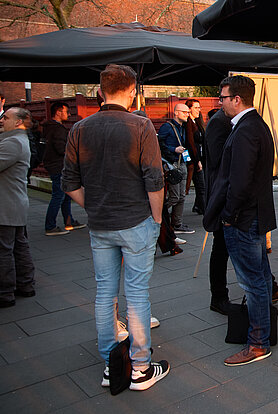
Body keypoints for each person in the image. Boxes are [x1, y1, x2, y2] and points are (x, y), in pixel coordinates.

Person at [63, 64, 169, 391]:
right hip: (136, 220)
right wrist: (157, 219)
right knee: (136, 295)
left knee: (104, 294)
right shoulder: (141, 125)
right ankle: (139, 368)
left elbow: (69, 183)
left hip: (101, 223)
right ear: (133, 92)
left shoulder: (79, 129)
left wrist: (94, 206)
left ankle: (112, 364)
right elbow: (154, 179)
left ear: (99, 91)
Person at [204, 75, 277, 366]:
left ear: (237, 99)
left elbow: (240, 181)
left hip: (244, 220)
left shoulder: (247, 129)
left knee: (253, 282)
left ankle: (258, 342)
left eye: (222, 97)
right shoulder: (253, 125)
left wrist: (230, 217)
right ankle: (261, 335)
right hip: (252, 217)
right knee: (258, 279)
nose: (219, 102)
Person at [204, 102, 278, 316]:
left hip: (241, 202)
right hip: (227, 201)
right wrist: (228, 211)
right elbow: (222, 168)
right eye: (221, 97)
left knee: (252, 255)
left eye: (223, 97)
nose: (221, 101)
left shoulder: (245, 123)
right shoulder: (220, 122)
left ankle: (268, 290)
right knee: (222, 249)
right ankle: (219, 298)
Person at [0, 107, 36, 308]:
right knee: (18, 246)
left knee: (5, 249)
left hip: (7, 205)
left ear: (18, 122)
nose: (2, 120)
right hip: (13, 203)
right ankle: (25, 284)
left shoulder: (13, 142)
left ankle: (5, 292)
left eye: (6, 117)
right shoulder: (14, 139)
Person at [42, 102, 86, 236]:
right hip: (58, 166)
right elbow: (61, 148)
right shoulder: (57, 129)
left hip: (55, 165)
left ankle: (69, 221)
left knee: (66, 195)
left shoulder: (49, 128)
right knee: (59, 196)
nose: (69, 114)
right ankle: (50, 225)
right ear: (59, 112)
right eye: (67, 111)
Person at [158, 103, 194, 234]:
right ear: (176, 113)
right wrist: (173, 149)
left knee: (182, 197)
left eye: (188, 112)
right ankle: (159, 215)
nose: (187, 115)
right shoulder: (167, 127)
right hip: (172, 165)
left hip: (181, 164)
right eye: (185, 112)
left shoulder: (182, 128)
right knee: (175, 197)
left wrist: (188, 161)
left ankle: (177, 224)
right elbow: (159, 145)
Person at [184, 99, 206, 215]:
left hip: (199, 158)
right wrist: (197, 160)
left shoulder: (196, 122)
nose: (199, 110)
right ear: (189, 109)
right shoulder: (188, 123)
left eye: (199, 107)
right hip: (193, 160)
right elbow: (190, 143)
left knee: (201, 184)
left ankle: (198, 206)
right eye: (196, 108)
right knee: (200, 185)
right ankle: (203, 208)